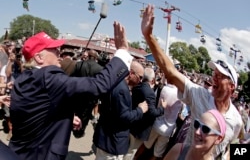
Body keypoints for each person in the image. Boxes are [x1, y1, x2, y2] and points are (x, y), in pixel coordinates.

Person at [9, 21, 134, 160]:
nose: (59, 52)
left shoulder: (25, 77)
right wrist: (122, 51)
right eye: (53, 49)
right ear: (39, 57)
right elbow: (99, 84)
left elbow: (36, 111)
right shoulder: (47, 77)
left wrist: (66, 116)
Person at [141, 4, 243, 159]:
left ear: (232, 86)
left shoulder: (237, 121)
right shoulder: (200, 95)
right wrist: (149, 37)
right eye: (213, 73)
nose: (213, 78)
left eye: (220, 76)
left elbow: (232, 146)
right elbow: (171, 73)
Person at [93, 61, 148, 160]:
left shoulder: (117, 83)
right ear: (131, 73)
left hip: (107, 137)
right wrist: (140, 110)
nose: (140, 81)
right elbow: (124, 116)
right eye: (140, 77)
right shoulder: (122, 89)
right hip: (112, 141)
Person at [124, 67, 165, 160]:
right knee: (131, 152)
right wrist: (162, 108)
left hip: (132, 123)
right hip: (140, 128)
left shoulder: (137, 86)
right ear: (153, 80)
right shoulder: (150, 93)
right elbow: (152, 112)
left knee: (126, 148)